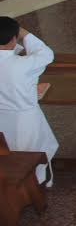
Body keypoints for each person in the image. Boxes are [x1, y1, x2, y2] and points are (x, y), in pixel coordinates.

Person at [0, 17, 57, 184]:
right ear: (13, 38)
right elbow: (46, 54)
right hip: (26, 120)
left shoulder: (18, 63)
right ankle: (36, 183)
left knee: (7, 153)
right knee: (33, 152)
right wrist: (24, 35)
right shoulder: (23, 65)